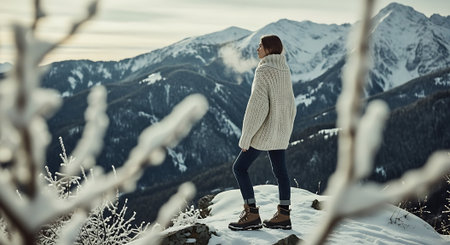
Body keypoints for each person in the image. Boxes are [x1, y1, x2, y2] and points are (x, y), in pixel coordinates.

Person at [228, 35, 296, 231]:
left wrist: (246, 136)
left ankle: (251, 214)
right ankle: (284, 215)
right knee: (281, 173)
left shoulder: (264, 70)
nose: (257, 49)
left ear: (269, 49)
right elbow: (292, 105)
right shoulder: (284, 69)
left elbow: (257, 108)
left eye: (260, 46)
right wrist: (285, 129)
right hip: (281, 132)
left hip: (265, 132)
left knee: (239, 168)